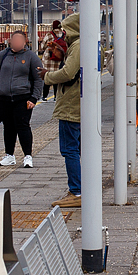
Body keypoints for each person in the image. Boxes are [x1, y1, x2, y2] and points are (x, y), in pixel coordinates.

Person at [43, 13, 83, 208]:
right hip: (80, 103)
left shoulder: (77, 46)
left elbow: (68, 73)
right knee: (80, 149)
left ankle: (76, 191)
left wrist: (47, 76)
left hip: (71, 105)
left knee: (69, 149)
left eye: (66, 30)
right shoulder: (82, 44)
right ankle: (83, 188)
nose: (63, 34)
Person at [0, 28, 43, 167]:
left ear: (25, 42)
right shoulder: (2, 55)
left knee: (23, 126)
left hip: (23, 98)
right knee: (8, 127)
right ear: (10, 41)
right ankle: (9, 155)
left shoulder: (31, 57)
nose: (17, 43)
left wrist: (34, 98)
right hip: (4, 98)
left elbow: (39, 79)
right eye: (14, 40)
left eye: (20, 40)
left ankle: (28, 156)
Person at [38, 19, 67, 100]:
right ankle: (55, 96)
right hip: (60, 60)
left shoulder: (49, 35)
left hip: (48, 60)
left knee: (47, 77)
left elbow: (43, 46)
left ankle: (44, 96)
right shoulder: (64, 35)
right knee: (56, 78)